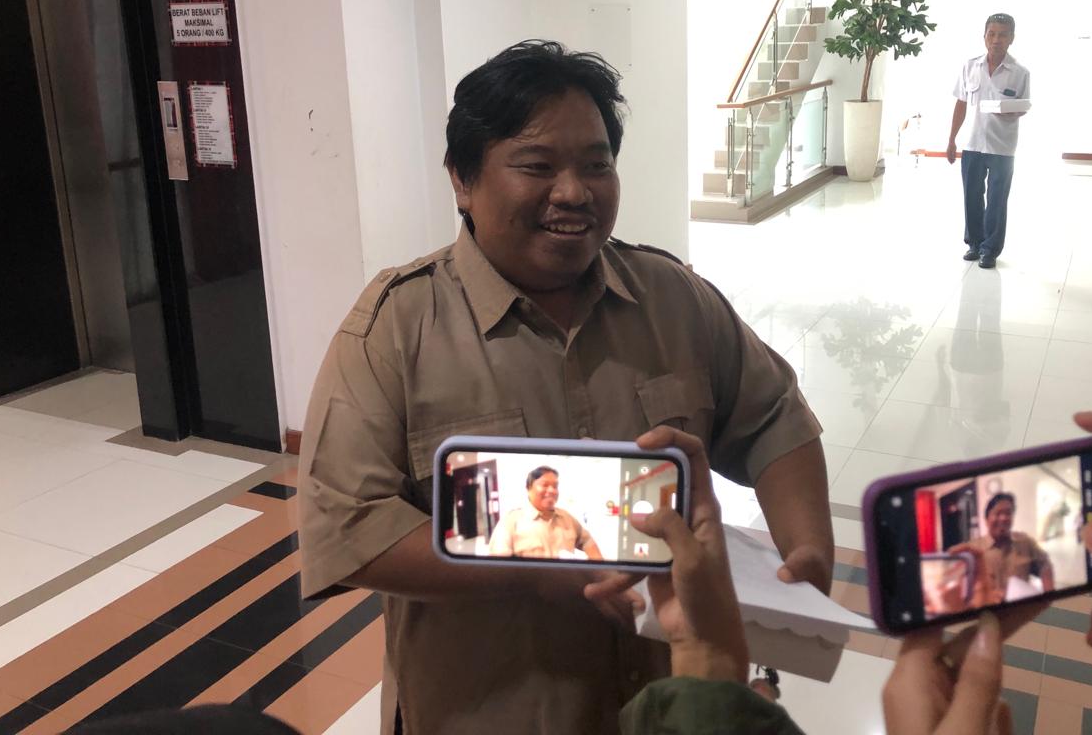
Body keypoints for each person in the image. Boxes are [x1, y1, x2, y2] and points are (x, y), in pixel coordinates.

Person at [297, 40, 834, 735]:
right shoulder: (395, 328)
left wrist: (807, 548)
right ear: (463, 179)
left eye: (596, 165)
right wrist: (531, 566)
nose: (575, 192)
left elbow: (774, 419)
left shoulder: (673, 297)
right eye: (537, 166)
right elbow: (348, 528)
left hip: (671, 711)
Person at [623, 412, 1092, 734]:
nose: (1003, 520)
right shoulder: (969, 553)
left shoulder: (1028, 549)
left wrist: (706, 659)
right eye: (997, 512)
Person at [945, 14, 1031, 270]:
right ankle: (974, 243)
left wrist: (1010, 111)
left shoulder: (1020, 73)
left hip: (1002, 146)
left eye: (1002, 35)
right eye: (991, 34)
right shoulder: (970, 66)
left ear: (1011, 38)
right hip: (972, 143)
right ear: (984, 36)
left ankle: (990, 249)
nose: (996, 40)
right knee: (971, 196)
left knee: (997, 199)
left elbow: (1023, 106)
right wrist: (951, 139)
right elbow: (961, 103)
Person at [487, 465, 603, 559]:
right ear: (528, 488)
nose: (552, 490)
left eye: (555, 486)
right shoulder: (511, 521)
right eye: (545, 485)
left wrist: (598, 571)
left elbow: (587, 541)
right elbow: (500, 566)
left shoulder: (567, 518)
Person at [962, 491, 1055, 604]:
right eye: (998, 513)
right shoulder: (973, 549)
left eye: (1008, 513)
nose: (1003, 518)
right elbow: (963, 589)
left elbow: (1045, 565)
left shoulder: (1025, 542)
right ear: (987, 519)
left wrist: (1049, 597)